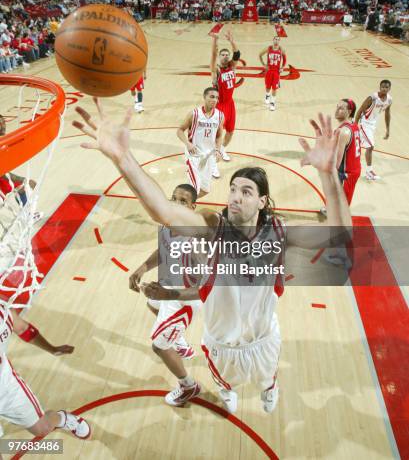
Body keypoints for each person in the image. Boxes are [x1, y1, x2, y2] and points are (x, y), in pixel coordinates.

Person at [73, 101, 351, 415]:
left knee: (267, 376)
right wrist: (124, 159)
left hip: (263, 336)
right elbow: (163, 212)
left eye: (246, 191)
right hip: (221, 339)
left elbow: (339, 233)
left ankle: (269, 388)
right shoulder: (212, 226)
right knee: (224, 380)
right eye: (233, 188)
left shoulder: (279, 233)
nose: (235, 195)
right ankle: (226, 390)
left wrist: (329, 176)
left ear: (262, 201)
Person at [128, 184, 203, 405]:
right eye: (174, 199)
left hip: (186, 299)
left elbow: (204, 288)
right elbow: (163, 250)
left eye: (183, 201)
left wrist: (169, 295)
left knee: (158, 346)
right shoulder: (167, 224)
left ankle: (188, 386)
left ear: (193, 206)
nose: (177, 204)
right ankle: (179, 341)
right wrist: (142, 267)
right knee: (152, 303)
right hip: (168, 290)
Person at [0, 302, 90, 442]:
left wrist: (52, 349)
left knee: (42, 428)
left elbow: (23, 328)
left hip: (5, 386)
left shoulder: (3, 312)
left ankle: (62, 418)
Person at [176, 87, 223, 197]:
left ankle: (179, 204)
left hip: (208, 156)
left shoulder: (220, 116)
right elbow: (180, 130)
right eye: (212, 97)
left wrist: (217, 150)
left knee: (205, 190)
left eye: (217, 98)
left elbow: (219, 136)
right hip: (194, 155)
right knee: (194, 189)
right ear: (204, 97)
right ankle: (181, 209)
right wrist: (188, 144)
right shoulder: (194, 114)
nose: (215, 100)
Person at [210, 30, 240, 175]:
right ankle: (213, 165)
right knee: (218, 136)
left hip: (230, 104)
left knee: (231, 131)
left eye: (227, 54)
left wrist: (232, 40)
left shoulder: (232, 66)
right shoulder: (216, 70)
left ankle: (222, 149)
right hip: (220, 105)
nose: (225, 56)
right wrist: (215, 40)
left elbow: (237, 54)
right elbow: (213, 54)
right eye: (223, 54)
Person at [355, 80, 392, 180]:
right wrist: (355, 124)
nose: (384, 88)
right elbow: (360, 109)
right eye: (383, 87)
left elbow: (387, 114)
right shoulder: (372, 98)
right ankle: (369, 172)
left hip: (373, 125)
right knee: (370, 146)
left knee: (362, 145)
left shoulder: (389, 100)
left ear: (389, 88)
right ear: (380, 87)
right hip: (364, 124)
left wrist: (388, 129)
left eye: (387, 87)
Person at [259, 36, 287, 111]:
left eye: (278, 40)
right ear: (273, 40)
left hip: (276, 72)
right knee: (268, 87)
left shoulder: (281, 50)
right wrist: (264, 64)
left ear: (279, 41)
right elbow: (260, 55)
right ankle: (267, 95)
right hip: (269, 71)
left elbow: (284, 59)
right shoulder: (268, 48)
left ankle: (272, 103)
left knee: (274, 88)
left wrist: (282, 67)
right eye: (275, 39)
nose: (276, 41)